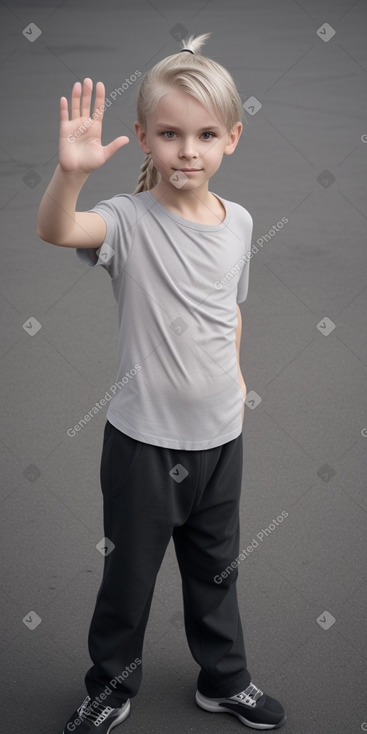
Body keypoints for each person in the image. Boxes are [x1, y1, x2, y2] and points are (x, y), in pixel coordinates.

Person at [37, 32, 286, 733]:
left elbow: (227, 311)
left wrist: (235, 381)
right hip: (143, 445)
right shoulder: (125, 221)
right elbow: (58, 229)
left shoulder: (237, 222)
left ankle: (224, 680)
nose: (188, 149)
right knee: (129, 579)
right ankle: (111, 688)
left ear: (231, 138)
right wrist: (70, 174)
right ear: (143, 136)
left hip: (220, 442)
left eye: (205, 134)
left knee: (215, 574)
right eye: (170, 133)